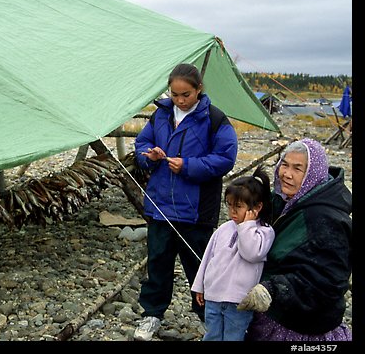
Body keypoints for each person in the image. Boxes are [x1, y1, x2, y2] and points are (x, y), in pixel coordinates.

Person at [133, 63, 238, 341]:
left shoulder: (214, 119)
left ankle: (209, 319)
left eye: (186, 95)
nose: (179, 100)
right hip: (160, 207)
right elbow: (141, 145)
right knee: (158, 264)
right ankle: (152, 315)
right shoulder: (161, 115)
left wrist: (189, 166)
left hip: (196, 211)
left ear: (198, 90)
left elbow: (226, 157)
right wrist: (149, 156)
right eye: (175, 94)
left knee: (200, 267)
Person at [238, 138, 352, 341]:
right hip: (274, 313)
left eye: (298, 169)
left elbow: (327, 281)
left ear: (313, 175)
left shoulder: (324, 218)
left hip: (301, 325)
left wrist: (273, 288)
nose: (286, 174)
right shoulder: (285, 202)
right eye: (285, 164)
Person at [191, 165, 275, 341]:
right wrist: (199, 286)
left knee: (233, 337)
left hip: (239, 301)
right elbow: (207, 259)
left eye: (238, 206)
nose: (232, 212)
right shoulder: (223, 229)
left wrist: (247, 226)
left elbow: (251, 253)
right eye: (229, 206)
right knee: (212, 335)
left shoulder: (263, 232)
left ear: (257, 207)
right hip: (214, 295)